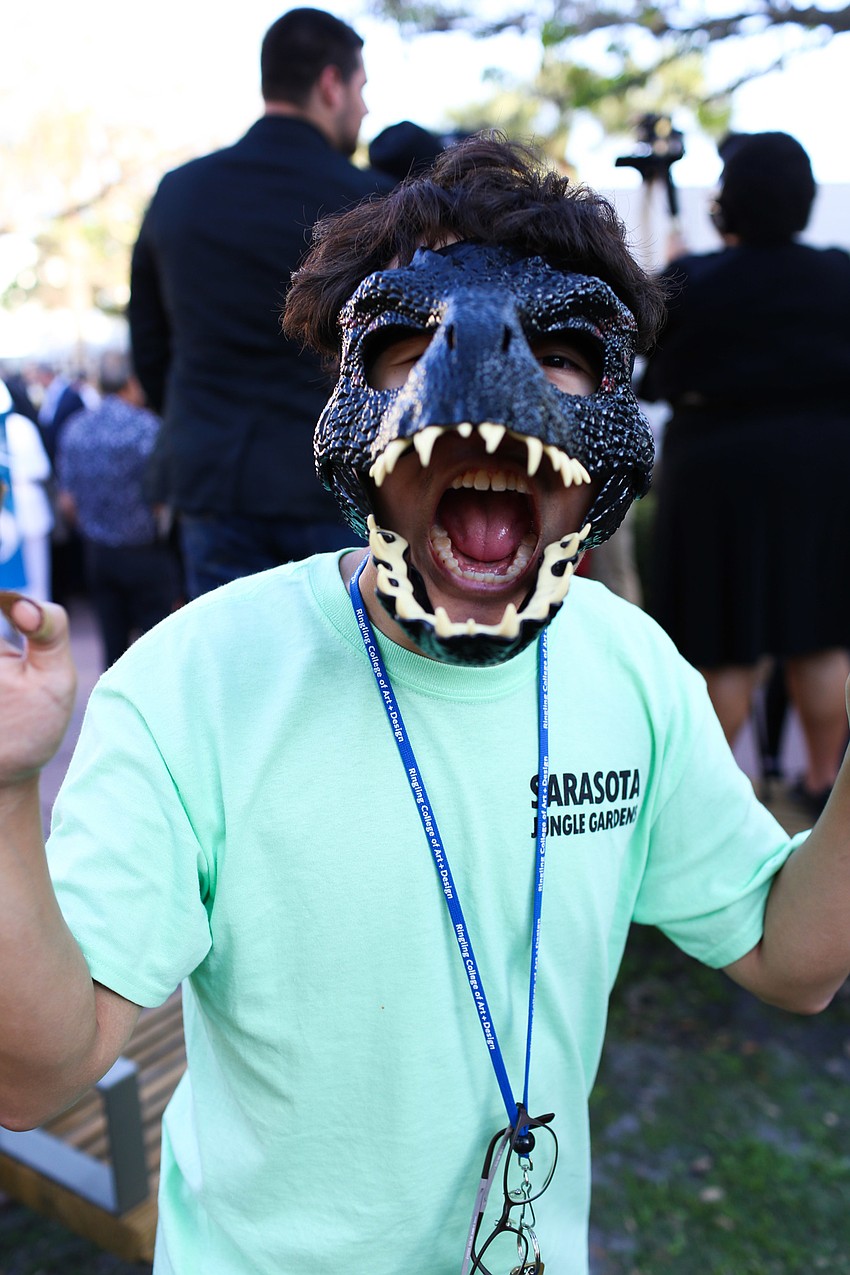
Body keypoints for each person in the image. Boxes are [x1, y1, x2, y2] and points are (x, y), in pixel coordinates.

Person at [3, 136, 850, 1275]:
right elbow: (37, 1076)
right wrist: (6, 794)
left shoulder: (631, 671)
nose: (480, 368)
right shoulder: (191, 682)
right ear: (345, 402)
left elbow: (794, 959)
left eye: (559, 350)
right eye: (407, 344)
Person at [128, 7, 392, 600]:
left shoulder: (179, 193)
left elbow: (147, 341)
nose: (365, 108)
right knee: (343, 651)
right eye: (361, 88)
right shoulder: (371, 202)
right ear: (331, 84)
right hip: (334, 480)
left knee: (229, 651)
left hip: (212, 477)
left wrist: (196, 417)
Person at [640, 131, 850, 817]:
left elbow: (653, 373)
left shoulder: (695, 280)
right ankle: (821, 793)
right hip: (826, 468)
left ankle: (702, 807)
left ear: (727, 202)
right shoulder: (840, 275)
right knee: (822, 632)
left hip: (716, 472)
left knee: (723, 644)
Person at [54, 350, 182, 668]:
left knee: (112, 651)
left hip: (98, 553)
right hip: (145, 553)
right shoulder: (147, 427)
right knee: (158, 648)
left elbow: (67, 501)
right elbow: (163, 498)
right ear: (132, 383)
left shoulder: (76, 427)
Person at [0, 379, 53, 602]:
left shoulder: (21, 426)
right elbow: (43, 468)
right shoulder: (23, 425)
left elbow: (41, 469)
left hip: (28, 511)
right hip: (16, 513)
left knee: (35, 583)